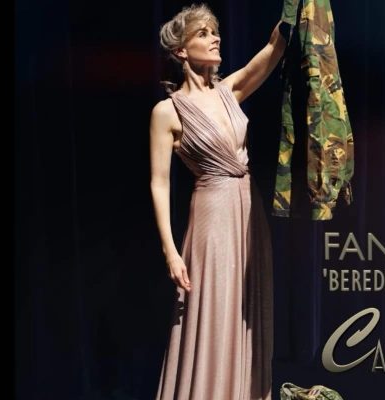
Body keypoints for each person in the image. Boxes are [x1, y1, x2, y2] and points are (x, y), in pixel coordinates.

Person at [149, 3, 287, 399]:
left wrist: (296, 10)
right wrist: (170, 251)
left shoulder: (230, 92)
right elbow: (159, 182)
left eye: (215, 32)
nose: (215, 39)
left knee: (246, 309)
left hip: (247, 210)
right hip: (212, 216)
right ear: (181, 50)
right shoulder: (167, 112)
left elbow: (273, 49)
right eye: (204, 34)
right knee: (214, 308)